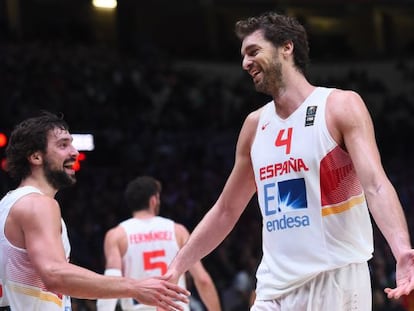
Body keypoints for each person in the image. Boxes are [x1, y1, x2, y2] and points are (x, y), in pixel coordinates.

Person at [166, 11, 414, 310]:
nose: (245, 63)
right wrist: (176, 268)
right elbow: (225, 211)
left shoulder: (338, 105)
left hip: (335, 280)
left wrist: (401, 251)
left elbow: (375, 184)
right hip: (273, 287)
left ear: (286, 46)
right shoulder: (255, 125)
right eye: (243, 55)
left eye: (253, 51)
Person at [0, 111, 189, 311]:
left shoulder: (8, 203)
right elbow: (54, 274)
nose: (74, 152)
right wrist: (134, 287)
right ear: (36, 156)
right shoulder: (38, 204)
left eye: (72, 144)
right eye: (63, 145)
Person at [96, 175, 222, 311]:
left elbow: (111, 279)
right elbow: (202, 280)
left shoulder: (117, 235)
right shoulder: (178, 231)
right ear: (153, 200)